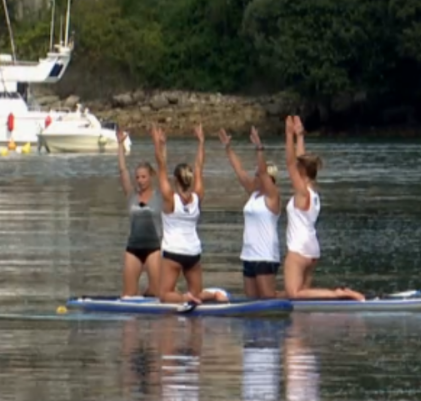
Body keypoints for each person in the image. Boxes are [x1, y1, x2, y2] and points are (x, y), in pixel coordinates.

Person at [282, 115, 365, 301]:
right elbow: (300, 161)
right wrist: (299, 136)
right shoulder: (312, 192)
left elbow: (290, 164)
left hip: (299, 249)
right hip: (312, 248)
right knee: (304, 298)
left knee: (293, 294)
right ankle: (329, 302)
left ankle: (338, 294)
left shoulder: (302, 192)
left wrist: (288, 135)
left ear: (302, 172)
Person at [155, 125, 228, 306]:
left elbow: (161, 167)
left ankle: (185, 298)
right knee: (197, 293)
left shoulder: (170, 199)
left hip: (174, 253)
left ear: (175, 180)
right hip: (193, 253)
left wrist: (159, 144)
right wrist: (201, 142)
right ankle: (215, 294)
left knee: (165, 295)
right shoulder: (197, 197)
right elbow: (199, 167)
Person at [222, 126, 282, 300]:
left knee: (267, 297)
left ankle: (295, 298)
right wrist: (228, 148)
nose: (256, 177)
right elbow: (239, 170)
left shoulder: (273, 197)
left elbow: (262, 171)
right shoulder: (254, 194)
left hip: (265, 255)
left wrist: (259, 148)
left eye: (259, 175)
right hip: (249, 254)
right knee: (252, 301)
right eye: (256, 175)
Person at [115, 127, 163, 298]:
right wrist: (120, 145)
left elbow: (162, 167)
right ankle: (137, 300)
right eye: (137, 177)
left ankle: (147, 293)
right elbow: (123, 170)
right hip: (133, 248)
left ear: (150, 177)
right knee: (128, 294)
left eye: (143, 177)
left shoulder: (159, 196)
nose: (140, 181)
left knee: (157, 293)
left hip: (154, 248)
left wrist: (158, 144)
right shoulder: (131, 195)